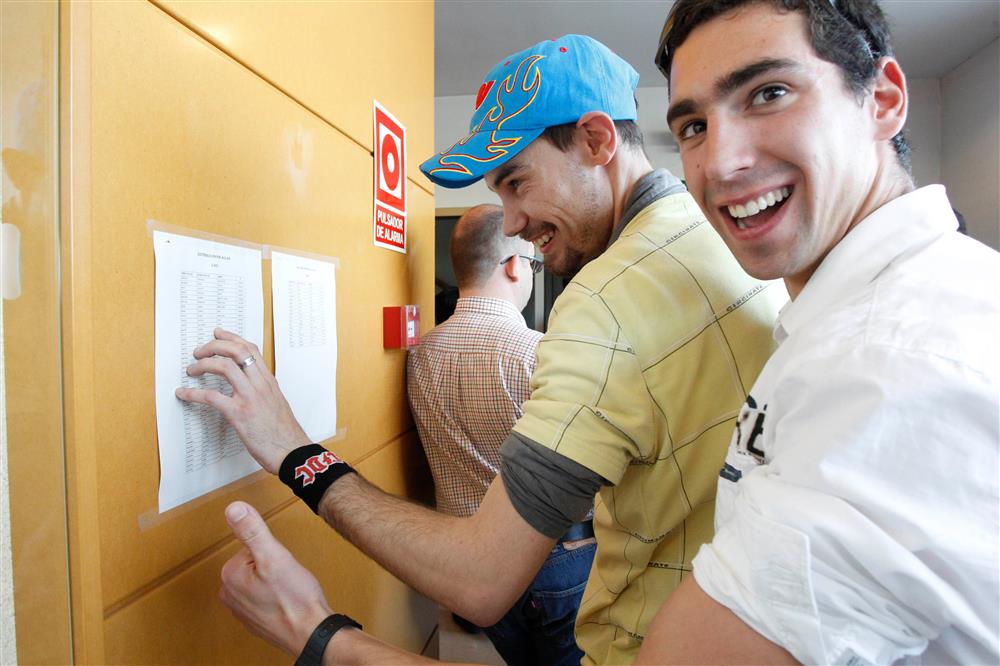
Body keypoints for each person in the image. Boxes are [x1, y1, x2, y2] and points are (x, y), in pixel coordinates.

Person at [178, 34, 783, 664]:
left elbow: (480, 580)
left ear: (598, 141)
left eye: (516, 181)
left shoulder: (606, 299)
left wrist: (294, 453)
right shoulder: (716, 243)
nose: (512, 222)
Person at [633, 0, 999, 663]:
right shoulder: (856, 316)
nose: (720, 163)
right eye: (692, 125)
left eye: (768, 93)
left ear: (883, 100)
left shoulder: (889, 361)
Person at [408, 203, 595, 666]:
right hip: (553, 559)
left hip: (466, 563)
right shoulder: (541, 354)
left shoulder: (419, 354)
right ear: (515, 266)